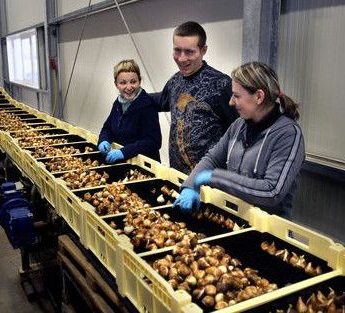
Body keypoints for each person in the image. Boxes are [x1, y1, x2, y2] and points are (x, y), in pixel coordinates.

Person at [173, 62, 305, 218]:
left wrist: (216, 178)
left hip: (267, 231)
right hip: (235, 218)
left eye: (236, 96)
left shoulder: (288, 134)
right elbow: (213, 158)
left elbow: (271, 191)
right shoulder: (239, 125)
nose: (230, 102)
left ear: (259, 96)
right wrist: (190, 185)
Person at [156, 21, 238, 174]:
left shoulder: (221, 85)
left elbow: (239, 130)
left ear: (203, 50)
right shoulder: (175, 81)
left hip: (210, 180)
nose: (181, 58)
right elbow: (161, 101)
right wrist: (132, 94)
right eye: (177, 50)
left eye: (189, 52)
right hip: (177, 176)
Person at [98, 59, 161, 163]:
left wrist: (124, 152)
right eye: (123, 83)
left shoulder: (147, 105)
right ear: (116, 84)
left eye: (133, 82)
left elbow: (153, 141)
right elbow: (107, 128)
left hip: (143, 166)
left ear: (140, 81)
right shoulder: (117, 104)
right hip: (125, 162)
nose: (128, 87)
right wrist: (104, 140)